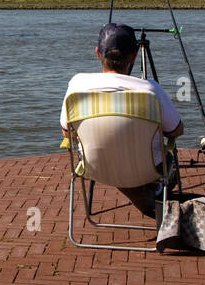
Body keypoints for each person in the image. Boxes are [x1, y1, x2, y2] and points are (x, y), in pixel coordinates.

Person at [61, 23, 184, 218]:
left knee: (116, 155)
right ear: (134, 55)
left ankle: (150, 200)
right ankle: (156, 197)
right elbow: (177, 130)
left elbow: (67, 132)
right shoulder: (149, 90)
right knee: (166, 156)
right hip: (148, 170)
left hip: (94, 168)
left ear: (97, 53)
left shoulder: (77, 85)